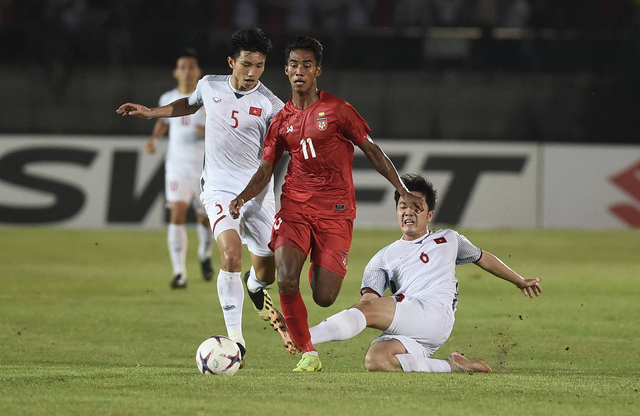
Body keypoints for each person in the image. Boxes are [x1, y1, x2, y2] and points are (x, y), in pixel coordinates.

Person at [229, 37, 425, 372]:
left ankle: (310, 272)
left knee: (324, 296)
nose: (299, 71)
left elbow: (372, 150)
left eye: (307, 65)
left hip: (336, 212)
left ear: (318, 70)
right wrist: (242, 197)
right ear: (286, 70)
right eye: (293, 65)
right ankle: (309, 352)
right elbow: (266, 168)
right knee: (286, 276)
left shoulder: (338, 110)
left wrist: (402, 188)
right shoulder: (280, 121)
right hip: (294, 207)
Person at [117, 28, 285, 361]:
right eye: (246, 64)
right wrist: (153, 111)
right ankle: (236, 341)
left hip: (258, 192)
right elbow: (189, 104)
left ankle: (254, 285)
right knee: (232, 254)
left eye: (260, 66)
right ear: (231, 62)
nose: (252, 73)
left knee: (268, 270)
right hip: (219, 187)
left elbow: (281, 151)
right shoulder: (209, 85)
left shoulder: (271, 104)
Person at [307, 173, 543, 372]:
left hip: (435, 314)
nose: (408, 212)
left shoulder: (449, 239)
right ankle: (452, 365)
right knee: (376, 359)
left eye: (416, 207)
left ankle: (304, 337)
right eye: (403, 206)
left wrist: (519, 280)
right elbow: (369, 301)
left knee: (366, 314)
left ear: (429, 215)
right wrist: (365, 310)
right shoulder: (382, 258)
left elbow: (483, 258)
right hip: (413, 326)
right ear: (397, 212)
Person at [143, 48, 214, 289]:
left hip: (205, 170)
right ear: (176, 72)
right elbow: (163, 123)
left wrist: (208, 132)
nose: (187, 72)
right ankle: (179, 273)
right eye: (182, 67)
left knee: (205, 220)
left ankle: (204, 254)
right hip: (177, 167)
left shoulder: (208, 99)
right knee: (176, 214)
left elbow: (223, 128)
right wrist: (154, 140)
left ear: (198, 72)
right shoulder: (167, 98)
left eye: (191, 67)